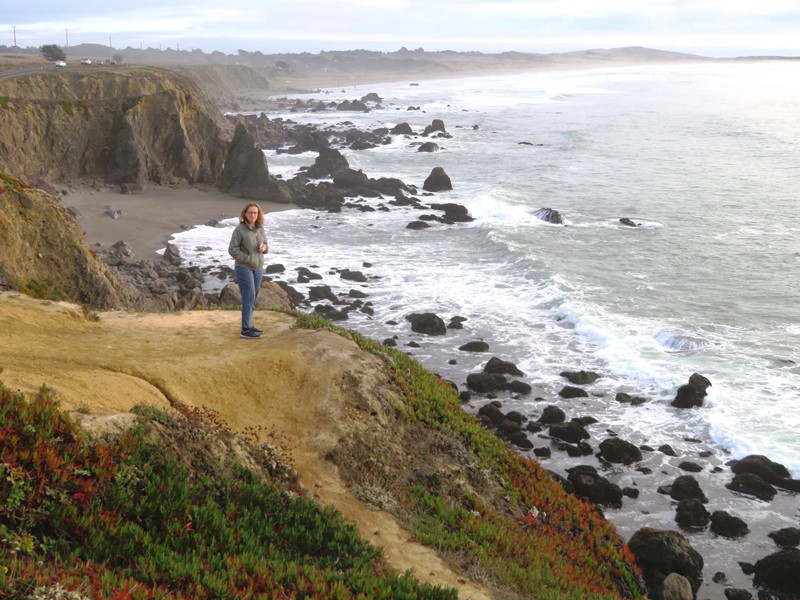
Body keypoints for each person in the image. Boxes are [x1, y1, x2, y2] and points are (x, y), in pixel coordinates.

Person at [228, 202, 268, 339]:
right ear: (245, 214)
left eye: (255, 213)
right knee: (249, 295)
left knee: (253, 296)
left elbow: (266, 245)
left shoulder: (260, 228)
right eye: (250, 212)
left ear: (258, 215)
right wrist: (247, 258)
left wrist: (264, 248)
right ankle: (245, 329)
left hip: (258, 268)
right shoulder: (239, 230)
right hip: (244, 267)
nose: (253, 215)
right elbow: (232, 249)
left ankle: (249, 325)